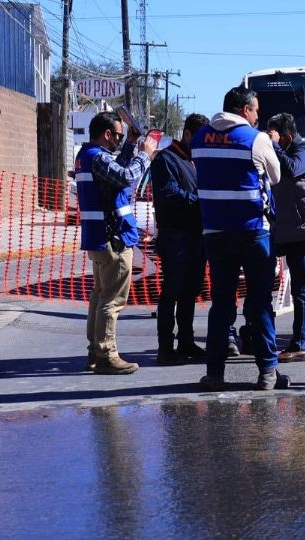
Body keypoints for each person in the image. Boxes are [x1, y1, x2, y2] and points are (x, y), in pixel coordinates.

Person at [192, 86, 288, 391]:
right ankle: (268, 373)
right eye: (256, 110)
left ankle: (215, 373)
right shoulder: (256, 139)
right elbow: (277, 177)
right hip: (253, 232)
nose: (258, 115)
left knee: (221, 304)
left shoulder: (199, 138)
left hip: (216, 233)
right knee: (259, 303)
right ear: (244, 110)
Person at [76, 111, 156, 375]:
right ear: (107, 134)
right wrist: (145, 154)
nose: (120, 141)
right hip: (114, 238)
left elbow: (115, 174)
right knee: (112, 301)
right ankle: (107, 354)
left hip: (100, 237)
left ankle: (95, 352)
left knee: (99, 298)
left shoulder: (88, 157)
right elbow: (124, 177)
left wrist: (132, 145)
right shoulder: (97, 157)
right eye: (119, 136)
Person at [267, 112, 305, 362]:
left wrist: (272, 146)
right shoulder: (292, 150)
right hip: (295, 231)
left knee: (302, 291)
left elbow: (292, 170)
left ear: (287, 136)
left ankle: (299, 343)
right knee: (302, 289)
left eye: (275, 136)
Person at [152, 113, 209, 366]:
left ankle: (186, 341)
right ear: (187, 134)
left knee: (190, 291)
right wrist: (200, 202)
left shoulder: (195, 160)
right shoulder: (166, 159)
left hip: (196, 235)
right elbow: (168, 193)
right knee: (171, 292)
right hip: (175, 235)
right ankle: (166, 348)